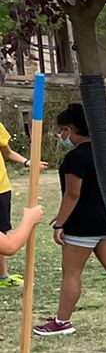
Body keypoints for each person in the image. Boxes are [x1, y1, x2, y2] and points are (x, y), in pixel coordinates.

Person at [32, 103, 106, 338]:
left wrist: (60, 223)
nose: (60, 135)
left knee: (71, 274)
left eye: (61, 130)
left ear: (70, 129)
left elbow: (73, 194)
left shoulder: (75, 158)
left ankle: (62, 322)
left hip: (83, 225)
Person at [0, 117, 26, 287]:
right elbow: (11, 247)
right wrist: (30, 219)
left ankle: (2, 275)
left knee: (1, 232)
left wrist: (27, 162)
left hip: (1, 188)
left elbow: (7, 152)